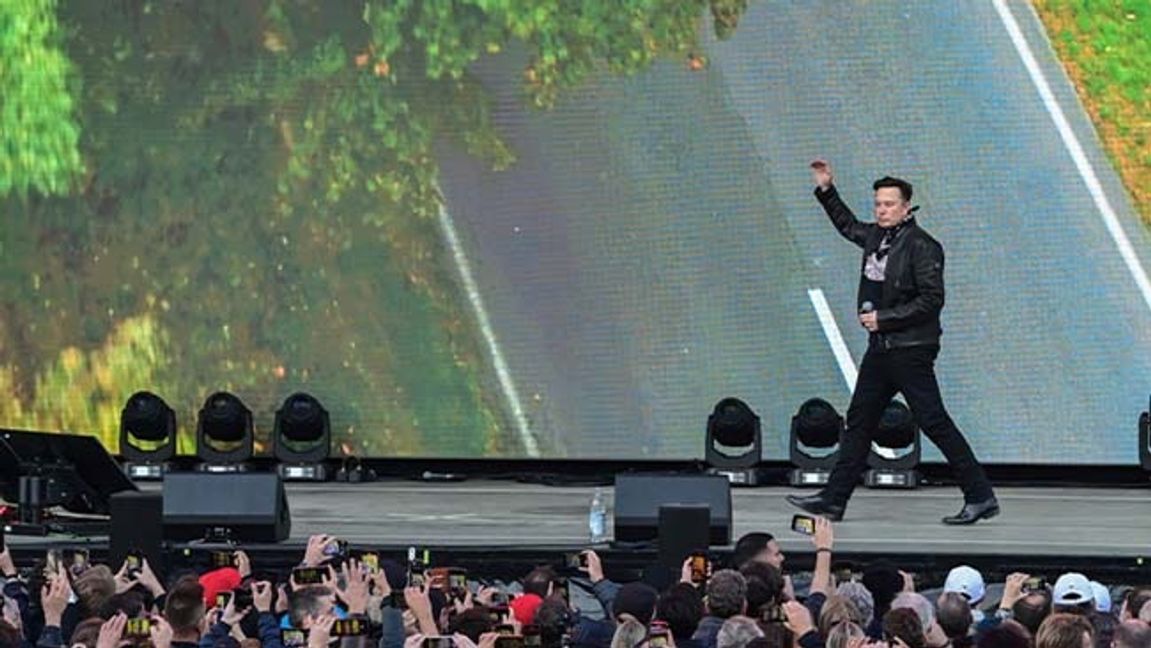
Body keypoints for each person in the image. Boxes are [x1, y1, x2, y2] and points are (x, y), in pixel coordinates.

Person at [787, 159, 998, 525]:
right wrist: (827, 190)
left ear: (906, 208)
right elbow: (848, 226)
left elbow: (932, 300)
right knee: (859, 421)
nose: (881, 210)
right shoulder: (877, 237)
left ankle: (980, 496)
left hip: (911, 350)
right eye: (878, 204)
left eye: (888, 204)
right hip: (882, 350)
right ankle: (834, 501)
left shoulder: (923, 246)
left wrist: (883, 318)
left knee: (933, 421)